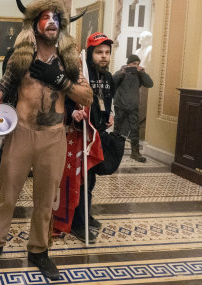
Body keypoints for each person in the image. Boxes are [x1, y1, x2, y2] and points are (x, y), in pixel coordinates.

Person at [0, 0, 93, 280]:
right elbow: (2, 90)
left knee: (46, 199)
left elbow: (87, 97)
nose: (52, 22)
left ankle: (39, 250)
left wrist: (60, 81)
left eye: (56, 17)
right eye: (46, 17)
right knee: (8, 195)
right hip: (21, 133)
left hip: (54, 137)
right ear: (34, 24)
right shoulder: (20, 59)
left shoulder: (69, 63)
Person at [68, 32, 125, 244]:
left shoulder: (108, 77)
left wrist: (109, 115)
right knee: (82, 179)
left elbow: (107, 101)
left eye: (107, 52)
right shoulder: (81, 74)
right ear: (90, 52)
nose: (104, 56)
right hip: (81, 133)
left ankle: (86, 214)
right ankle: (78, 222)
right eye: (99, 52)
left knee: (91, 180)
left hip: (99, 134)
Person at [112, 54, 153, 162]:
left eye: (138, 64)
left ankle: (135, 153)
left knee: (135, 130)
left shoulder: (139, 74)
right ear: (128, 63)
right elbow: (112, 82)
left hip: (133, 107)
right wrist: (122, 73)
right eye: (134, 63)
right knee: (117, 130)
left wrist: (143, 73)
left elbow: (150, 84)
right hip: (120, 106)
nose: (136, 66)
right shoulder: (121, 72)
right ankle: (113, 151)